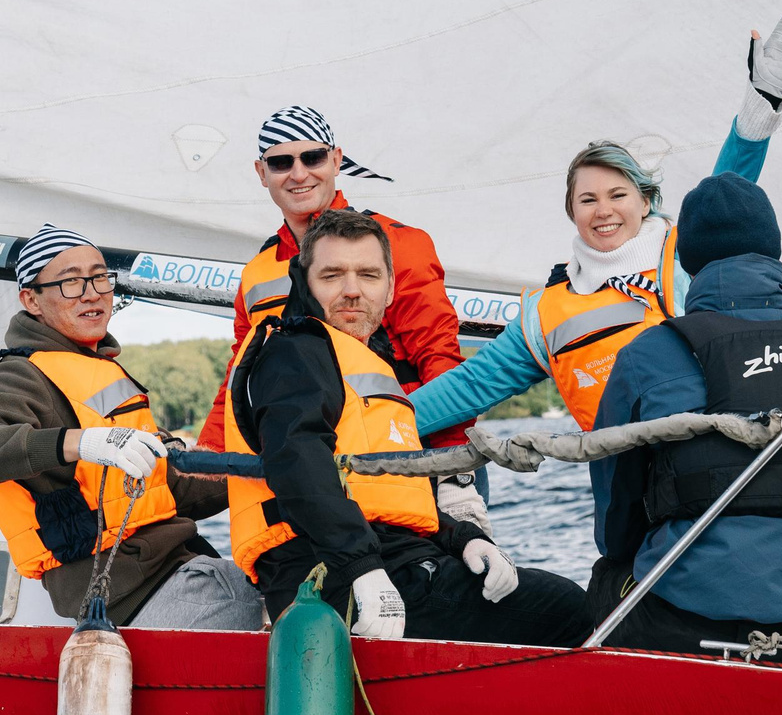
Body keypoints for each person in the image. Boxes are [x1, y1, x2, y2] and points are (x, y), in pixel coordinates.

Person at [410, 16, 782, 446]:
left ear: (645, 202)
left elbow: (729, 184)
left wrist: (762, 102)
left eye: (618, 195)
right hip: (629, 480)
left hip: (723, 460)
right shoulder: (543, 315)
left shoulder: (685, 254)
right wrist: (377, 429)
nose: (603, 211)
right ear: (572, 212)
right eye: (587, 200)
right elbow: (470, 386)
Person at [222, 208, 591, 646]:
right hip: (326, 573)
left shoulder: (363, 362)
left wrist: (464, 538)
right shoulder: (294, 352)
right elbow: (298, 463)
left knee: (543, 603)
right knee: (569, 609)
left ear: (391, 287)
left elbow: (390, 495)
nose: (352, 290)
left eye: (369, 275)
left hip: (391, 556)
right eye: (332, 275)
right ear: (303, 281)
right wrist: (361, 568)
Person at [591, 174, 782, 665]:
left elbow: (615, 524)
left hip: (683, 620)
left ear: (687, 261)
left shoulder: (649, 353)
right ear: (773, 248)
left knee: (608, 575)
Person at [0, 223, 263, 630]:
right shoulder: (20, 375)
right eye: (70, 282)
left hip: (172, 566)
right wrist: (83, 442)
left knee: (287, 580)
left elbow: (169, 485)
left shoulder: (98, 371)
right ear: (31, 300)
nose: (91, 293)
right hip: (125, 591)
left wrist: (269, 470)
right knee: (267, 610)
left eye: (99, 277)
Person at [194, 106, 489, 527]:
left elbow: (438, 357)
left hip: (414, 459)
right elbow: (240, 373)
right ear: (261, 173)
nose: (298, 173)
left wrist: (453, 471)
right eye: (281, 162)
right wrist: (205, 457)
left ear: (336, 160)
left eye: (312, 157)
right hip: (312, 469)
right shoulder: (256, 273)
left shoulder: (399, 243)